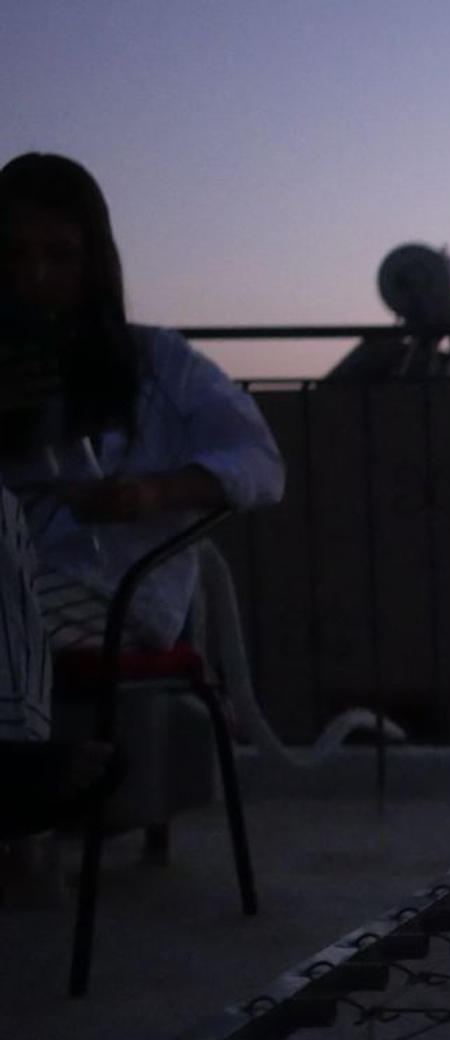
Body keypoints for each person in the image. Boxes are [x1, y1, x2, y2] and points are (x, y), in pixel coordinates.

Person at [0, 152, 283, 850]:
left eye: (60, 256)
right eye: (14, 254)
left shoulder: (157, 364)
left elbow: (259, 462)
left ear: (96, 263)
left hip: (112, 591)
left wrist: (155, 491)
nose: (36, 277)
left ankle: (10, 772)